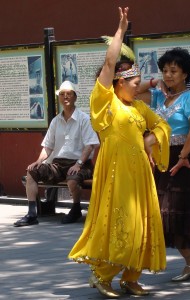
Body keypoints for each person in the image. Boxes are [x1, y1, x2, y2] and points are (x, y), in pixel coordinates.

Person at [68, 7, 171, 298]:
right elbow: (110, 62)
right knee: (119, 223)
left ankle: (131, 277)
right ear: (119, 83)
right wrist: (121, 31)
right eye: (135, 84)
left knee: (143, 224)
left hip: (140, 176)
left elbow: (161, 125)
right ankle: (103, 276)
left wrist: (149, 143)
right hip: (117, 176)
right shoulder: (106, 103)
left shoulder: (138, 108)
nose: (139, 88)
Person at [139, 47, 190, 282]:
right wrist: (154, 81)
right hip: (163, 159)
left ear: (186, 74)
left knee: (174, 212)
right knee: (166, 214)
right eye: (164, 70)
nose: (168, 75)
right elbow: (132, 94)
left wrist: (184, 155)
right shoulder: (158, 97)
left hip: (184, 160)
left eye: (174, 70)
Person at [14, 80, 99, 227]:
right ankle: (32, 213)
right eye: (62, 94)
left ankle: (76, 208)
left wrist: (79, 164)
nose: (65, 97)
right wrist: (38, 161)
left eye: (69, 94)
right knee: (32, 172)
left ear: (75, 97)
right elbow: (47, 146)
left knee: (72, 179)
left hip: (80, 163)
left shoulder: (83, 119)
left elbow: (90, 145)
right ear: (59, 97)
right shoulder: (55, 121)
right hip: (58, 164)